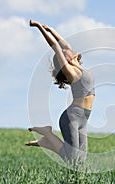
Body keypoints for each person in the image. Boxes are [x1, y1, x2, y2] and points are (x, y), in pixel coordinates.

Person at [26, 19, 95, 164]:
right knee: (72, 159)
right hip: (72, 117)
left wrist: (52, 29)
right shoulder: (72, 72)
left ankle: (46, 142)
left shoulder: (78, 67)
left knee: (80, 160)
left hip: (84, 117)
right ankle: (47, 134)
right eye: (64, 53)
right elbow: (56, 46)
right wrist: (39, 27)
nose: (67, 49)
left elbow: (63, 44)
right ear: (66, 59)